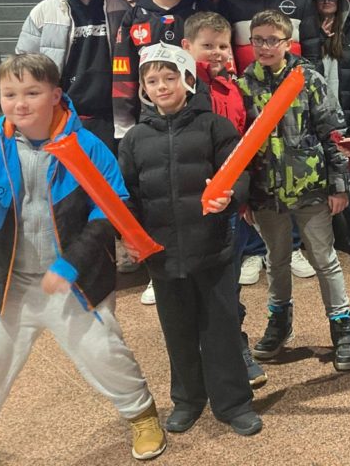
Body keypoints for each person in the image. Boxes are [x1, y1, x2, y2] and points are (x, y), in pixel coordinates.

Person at [0, 54, 166, 463]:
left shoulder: (88, 147)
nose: (19, 103)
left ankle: (142, 414)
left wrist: (71, 263)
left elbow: (109, 213)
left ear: (55, 95)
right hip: (7, 284)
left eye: (32, 93)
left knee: (106, 355)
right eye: (9, 94)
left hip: (75, 282)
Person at [119, 43, 261, 436]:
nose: (161, 87)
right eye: (152, 81)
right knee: (177, 332)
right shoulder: (134, 138)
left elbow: (240, 173)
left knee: (220, 330)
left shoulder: (215, 127)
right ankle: (187, 399)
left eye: (169, 78)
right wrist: (129, 233)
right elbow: (127, 192)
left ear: (187, 80)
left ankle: (233, 402)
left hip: (212, 249)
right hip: (162, 255)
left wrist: (230, 195)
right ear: (144, 88)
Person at [237, 10, 350, 371]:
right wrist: (244, 197)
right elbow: (240, 145)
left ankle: (342, 327)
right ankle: (279, 322)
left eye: (272, 40)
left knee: (324, 259)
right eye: (258, 40)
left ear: (287, 42)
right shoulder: (245, 85)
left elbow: (333, 135)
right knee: (276, 260)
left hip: (311, 188)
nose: (265, 47)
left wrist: (339, 186)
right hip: (265, 191)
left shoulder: (308, 79)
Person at [181, 12, 267, 389]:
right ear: (187, 47)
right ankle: (201, 354)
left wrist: (244, 198)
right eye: (207, 46)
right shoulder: (181, 87)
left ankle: (235, 347)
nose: (216, 52)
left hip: (231, 204)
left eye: (222, 45)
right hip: (193, 206)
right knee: (196, 288)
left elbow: (244, 146)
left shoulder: (233, 89)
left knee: (228, 285)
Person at [16, 0, 130, 151]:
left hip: (110, 117)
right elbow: (23, 68)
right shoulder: (43, 12)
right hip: (61, 116)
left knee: (106, 172)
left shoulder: (120, 9)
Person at [300, 0, 350, 262]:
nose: (327, 1)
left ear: (341, 3)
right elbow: (305, 72)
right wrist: (318, 38)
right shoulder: (306, 34)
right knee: (315, 184)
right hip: (315, 122)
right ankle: (318, 242)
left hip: (349, 119)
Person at [111, 0, 201, 141]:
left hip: (196, 112)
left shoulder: (200, 11)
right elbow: (123, 70)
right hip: (149, 115)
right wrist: (124, 124)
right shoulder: (134, 17)